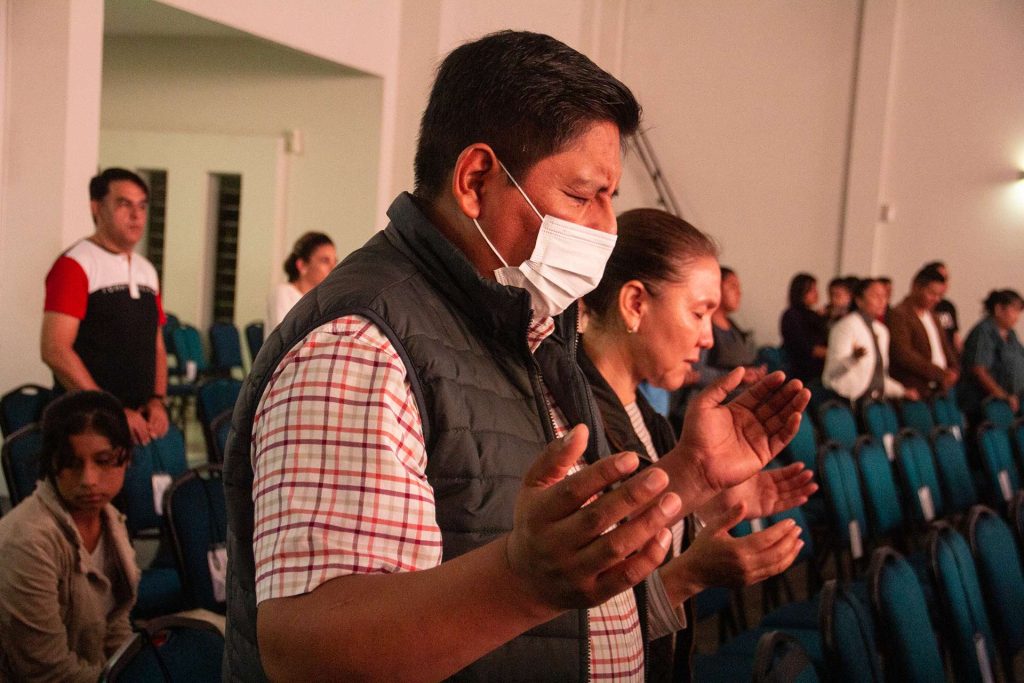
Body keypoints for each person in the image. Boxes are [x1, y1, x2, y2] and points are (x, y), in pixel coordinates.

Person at [223, 30, 808, 682]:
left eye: (611, 198)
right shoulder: (360, 346)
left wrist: (691, 473)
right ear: (476, 180)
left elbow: (574, 560)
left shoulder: (523, 326)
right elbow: (308, 651)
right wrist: (518, 582)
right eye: (583, 195)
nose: (607, 228)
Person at [579, 209, 815, 680]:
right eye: (698, 312)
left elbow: (647, 535)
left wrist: (708, 501)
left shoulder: (650, 420)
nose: (708, 338)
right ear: (635, 303)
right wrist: (689, 576)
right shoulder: (574, 427)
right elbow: (572, 632)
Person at [0, 391, 139, 681]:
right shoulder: (28, 541)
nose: (89, 480)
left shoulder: (111, 519)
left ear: (126, 458)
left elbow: (115, 625)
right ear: (52, 464)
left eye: (103, 460)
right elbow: (45, 671)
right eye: (72, 464)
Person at [41, 168, 169, 445]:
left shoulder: (147, 270)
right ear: (96, 207)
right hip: (87, 426)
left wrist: (157, 400)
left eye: (142, 206)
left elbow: (157, 345)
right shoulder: (76, 264)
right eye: (124, 204)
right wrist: (109, 410)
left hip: (139, 422)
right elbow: (55, 349)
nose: (136, 216)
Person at [669, 266, 766, 431]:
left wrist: (755, 374)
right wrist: (737, 377)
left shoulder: (735, 328)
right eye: (732, 286)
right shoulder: (704, 330)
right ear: (716, 287)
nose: (739, 292)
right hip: (708, 408)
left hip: (738, 402)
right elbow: (694, 372)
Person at [823, 278, 919, 405]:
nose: (882, 301)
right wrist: (852, 358)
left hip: (874, 401)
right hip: (846, 400)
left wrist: (901, 391)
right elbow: (832, 372)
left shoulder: (881, 330)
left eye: (884, 296)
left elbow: (879, 375)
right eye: (876, 296)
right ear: (859, 300)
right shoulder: (845, 326)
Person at [888, 266, 959, 400]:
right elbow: (904, 354)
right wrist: (940, 373)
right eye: (932, 294)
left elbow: (945, 347)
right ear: (916, 287)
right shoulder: (899, 314)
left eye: (940, 295)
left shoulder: (933, 315)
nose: (936, 299)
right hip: (915, 388)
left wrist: (953, 369)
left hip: (940, 387)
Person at [957, 289, 1024, 419]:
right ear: (999, 309)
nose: (1017, 317)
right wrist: (1002, 395)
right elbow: (979, 369)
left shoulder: (1011, 334)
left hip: (1015, 399)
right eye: (1014, 310)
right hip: (988, 403)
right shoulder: (984, 332)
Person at [265, 231, 337, 330]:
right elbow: (286, 335)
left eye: (335, 262)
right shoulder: (283, 293)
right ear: (302, 265)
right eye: (325, 261)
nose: (333, 268)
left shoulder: (324, 301)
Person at [780, 273, 828, 386]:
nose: (816, 293)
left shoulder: (814, 315)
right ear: (801, 292)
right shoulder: (792, 315)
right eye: (812, 290)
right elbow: (803, 345)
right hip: (802, 372)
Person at [924, 261, 963, 353]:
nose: (945, 283)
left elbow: (955, 338)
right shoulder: (922, 308)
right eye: (940, 279)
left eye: (946, 279)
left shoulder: (948, 306)